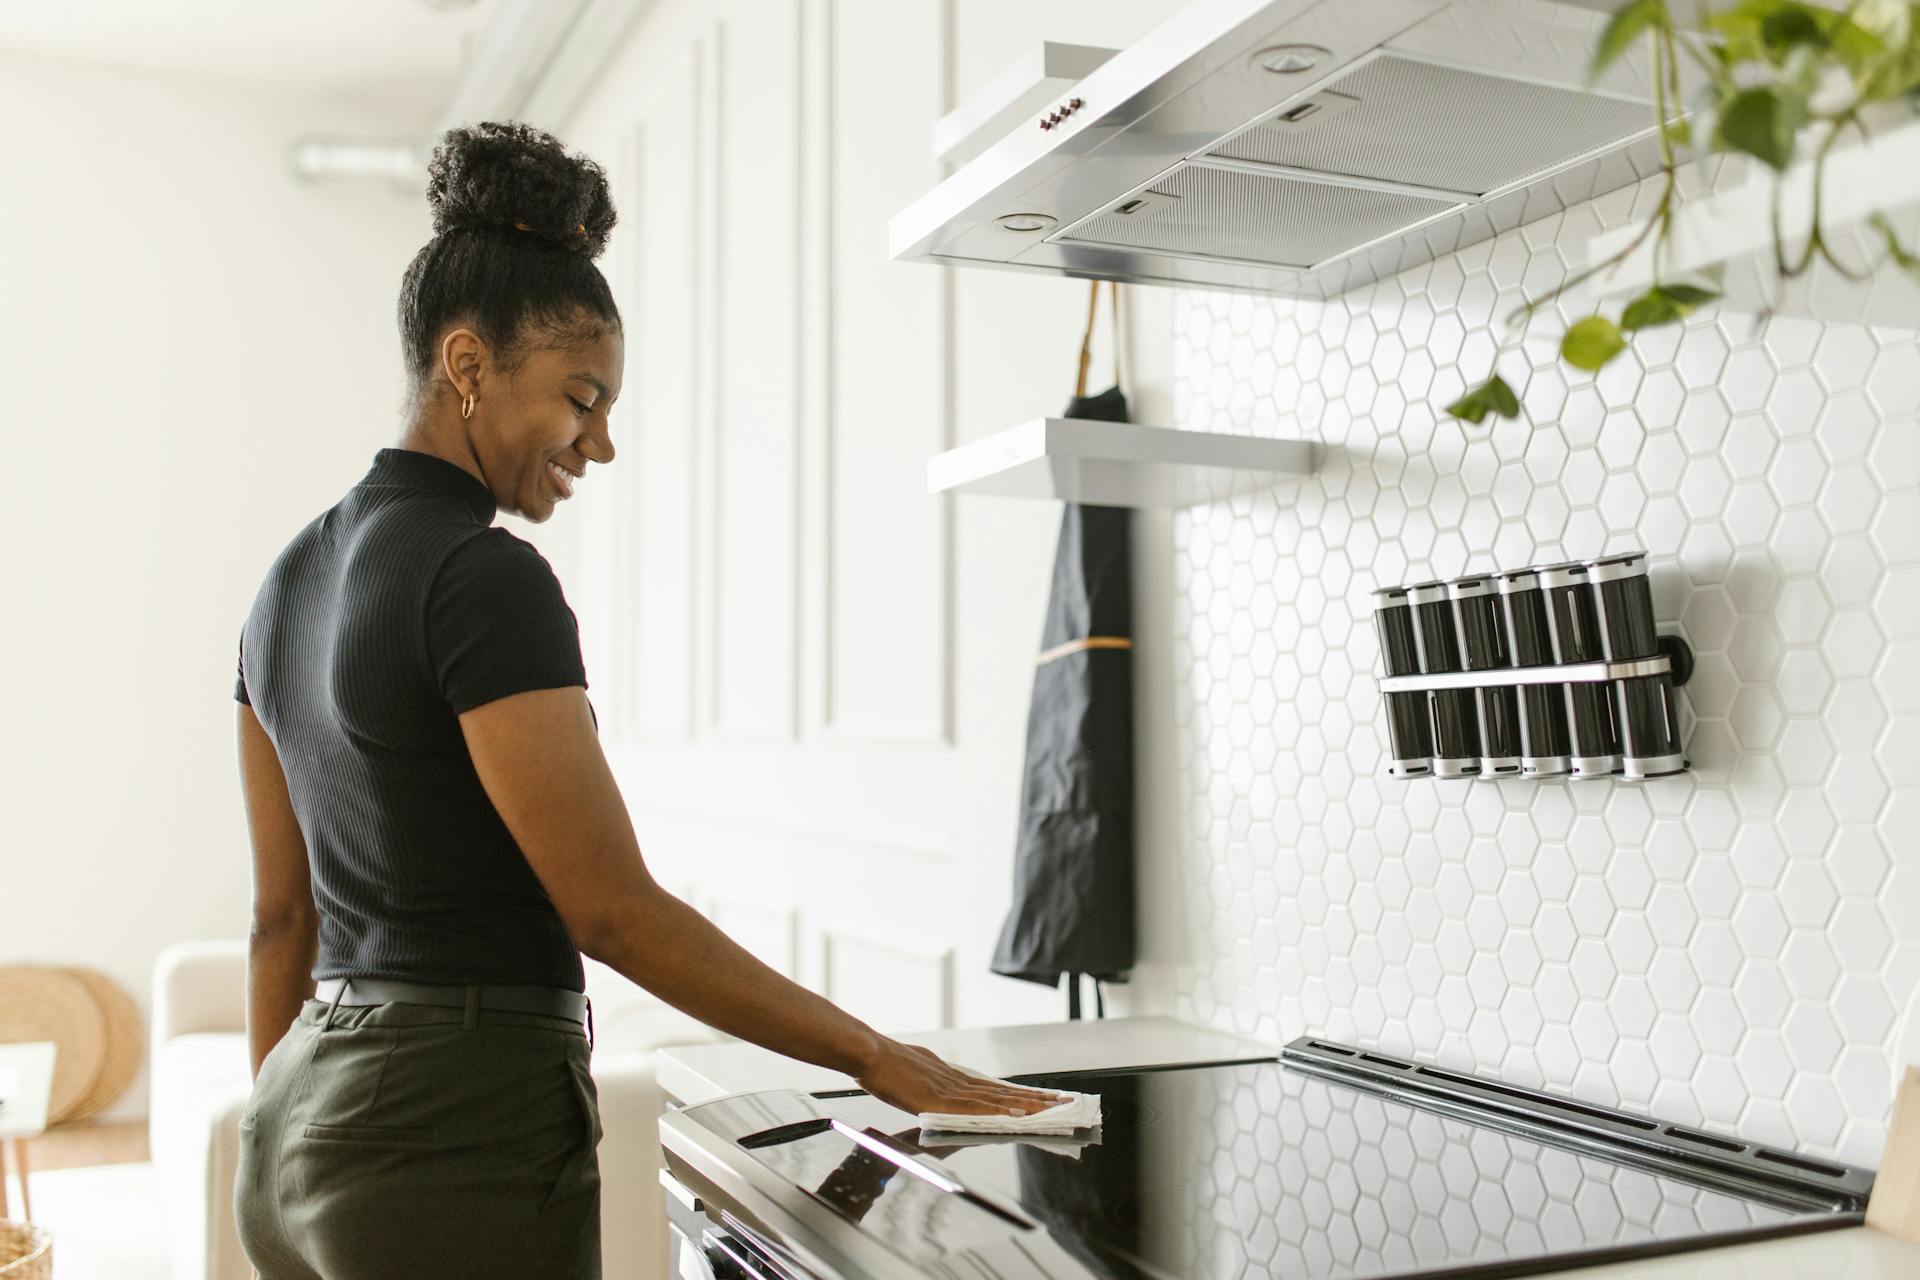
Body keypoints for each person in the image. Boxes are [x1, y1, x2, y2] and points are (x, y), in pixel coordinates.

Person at [230, 120, 1063, 1280]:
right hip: (447, 1131)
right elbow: (611, 910)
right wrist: (879, 1055)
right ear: (468, 365)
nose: (600, 442)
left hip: (293, 1128)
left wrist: (280, 1113)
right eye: (582, 398)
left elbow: (281, 918)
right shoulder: (483, 578)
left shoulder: (285, 582)